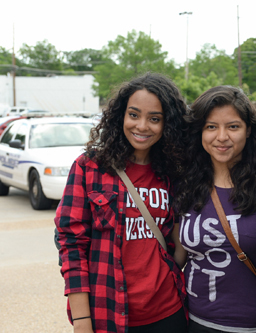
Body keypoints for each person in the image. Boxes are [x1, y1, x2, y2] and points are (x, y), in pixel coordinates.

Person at [55, 73, 188, 333]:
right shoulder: (90, 167)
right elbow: (71, 243)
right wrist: (82, 320)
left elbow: (179, 238)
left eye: (154, 119)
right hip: (110, 314)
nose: (142, 126)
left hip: (169, 312)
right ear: (121, 116)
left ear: (167, 124)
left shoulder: (173, 171)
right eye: (134, 115)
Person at [174, 86, 256, 333]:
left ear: (248, 130)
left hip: (255, 325)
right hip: (195, 322)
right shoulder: (185, 184)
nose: (221, 137)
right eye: (211, 127)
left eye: (233, 126)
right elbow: (178, 256)